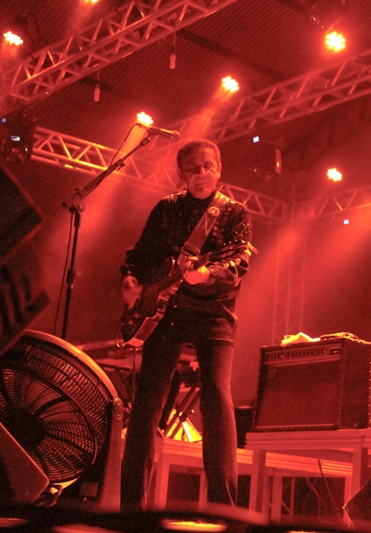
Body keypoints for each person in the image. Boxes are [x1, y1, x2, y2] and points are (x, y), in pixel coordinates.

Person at [118, 139, 253, 509]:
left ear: (219, 169)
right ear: (181, 174)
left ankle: (223, 507)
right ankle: (131, 507)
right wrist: (130, 281)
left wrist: (206, 275)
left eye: (207, 166)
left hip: (214, 313)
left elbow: (238, 265)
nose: (201, 173)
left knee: (217, 396)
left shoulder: (234, 213)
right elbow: (139, 256)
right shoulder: (166, 209)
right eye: (193, 168)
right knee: (147, 401)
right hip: (166, 313)